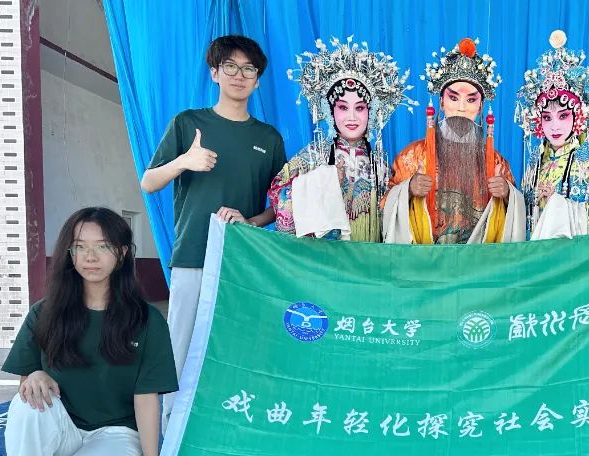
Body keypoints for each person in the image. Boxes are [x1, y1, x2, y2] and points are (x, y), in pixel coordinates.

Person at [0, 207, 178, 456]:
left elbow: (146, 398)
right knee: (26, 402)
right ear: (69, 253)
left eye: (102, 246)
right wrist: (33, 375)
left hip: (116, 434)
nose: (90, 257)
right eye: (80, 247)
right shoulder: (44, 313)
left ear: (121, 253)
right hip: (62, 433)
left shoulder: (147, 320)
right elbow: (26, 382)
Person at [140, 35, 286, 428]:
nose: (239, 75)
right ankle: (171, 430)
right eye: (230, 67)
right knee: (181, 345)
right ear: (215, 73)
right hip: (193, 255)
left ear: (258, 80)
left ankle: (229, 427)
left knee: (240, 343)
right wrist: (183, 162)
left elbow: (281, 204)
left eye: (248, 69)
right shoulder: (188, 123)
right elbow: (149, 182)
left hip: (243, 262)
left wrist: (250, 223)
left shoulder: (268, 138)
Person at [268, 37, 413, 241]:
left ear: (371, 113)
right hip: (323, 256)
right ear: (331, 111)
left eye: (360, 108)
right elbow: (278, 198)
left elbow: (393, 224)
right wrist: (322, 181)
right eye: (343, 107)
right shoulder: (312, 156)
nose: (352, 117)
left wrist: (407, 191)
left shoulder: (380, 167)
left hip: (364, 256)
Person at [382, 37, 525, 244]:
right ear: (441, 102)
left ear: (481, 106)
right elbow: (383, 207)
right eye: (453, 98)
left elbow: (516, 222)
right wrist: (408, 190)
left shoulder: (496, 162)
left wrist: (508, 195)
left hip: (478, 258)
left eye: (471, 100)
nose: (461, 107)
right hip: (427, 258)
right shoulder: (412, 156)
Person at [515, 30, 589, 239]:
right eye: (547, 118)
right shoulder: (534, 165)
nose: (554, 127)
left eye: (563, 116)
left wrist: (559, 206)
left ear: (579, 117)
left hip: (574, 258)